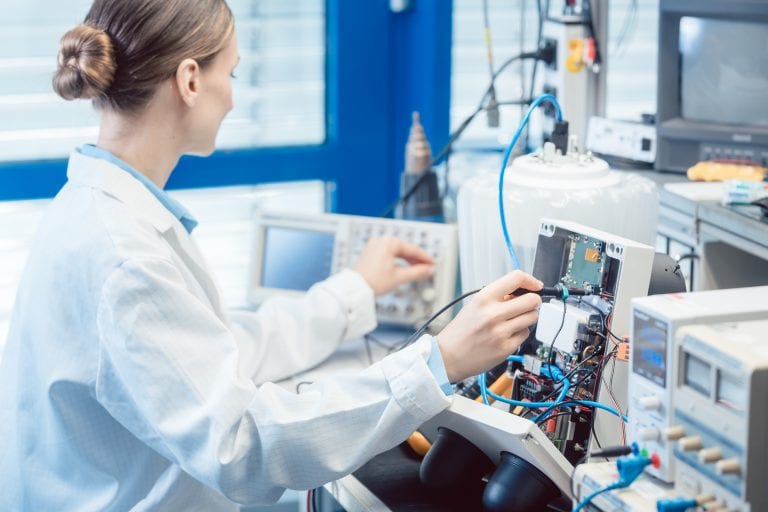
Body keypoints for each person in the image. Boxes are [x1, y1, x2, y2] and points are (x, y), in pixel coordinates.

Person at [0, 1, 543, 510]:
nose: (234, 98)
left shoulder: (97, 209)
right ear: (190, 80)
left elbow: (220, 350)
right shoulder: (125, 255)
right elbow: (242, 444)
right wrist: (438, 361)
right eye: (230, 74)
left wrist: (355, 289)